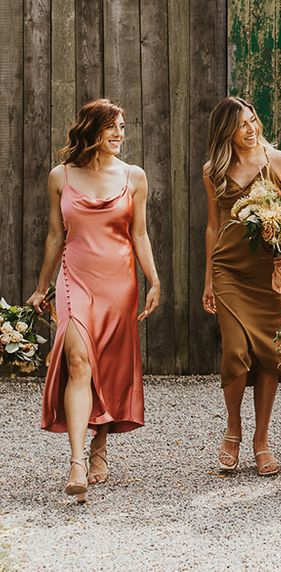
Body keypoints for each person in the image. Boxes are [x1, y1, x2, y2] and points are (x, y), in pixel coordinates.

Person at [29, 98, 161, 502]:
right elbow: (56, 235)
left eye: (123, 127)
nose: (120, 134)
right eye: (112, 127)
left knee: (107, 364)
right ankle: (76, 463)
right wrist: (41, 286)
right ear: (92, 130)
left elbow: (139, 234)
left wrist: (154, 281)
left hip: (119, 282)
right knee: (78, 360)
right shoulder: (60, 176)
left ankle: (99, 445)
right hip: (75, 277)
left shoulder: (134, 177)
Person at [202, 96, 281, 476]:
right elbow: (213, 225)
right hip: (229, 270)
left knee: (269, 354)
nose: (251, 128)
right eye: (242, 124)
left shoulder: (278, 162)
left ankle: (261, 440)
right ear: (227, 130)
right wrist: (208, 278)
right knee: (235, 352)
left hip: (268, 273)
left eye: (253, 120)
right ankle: (233, 429)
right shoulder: (214, 170)